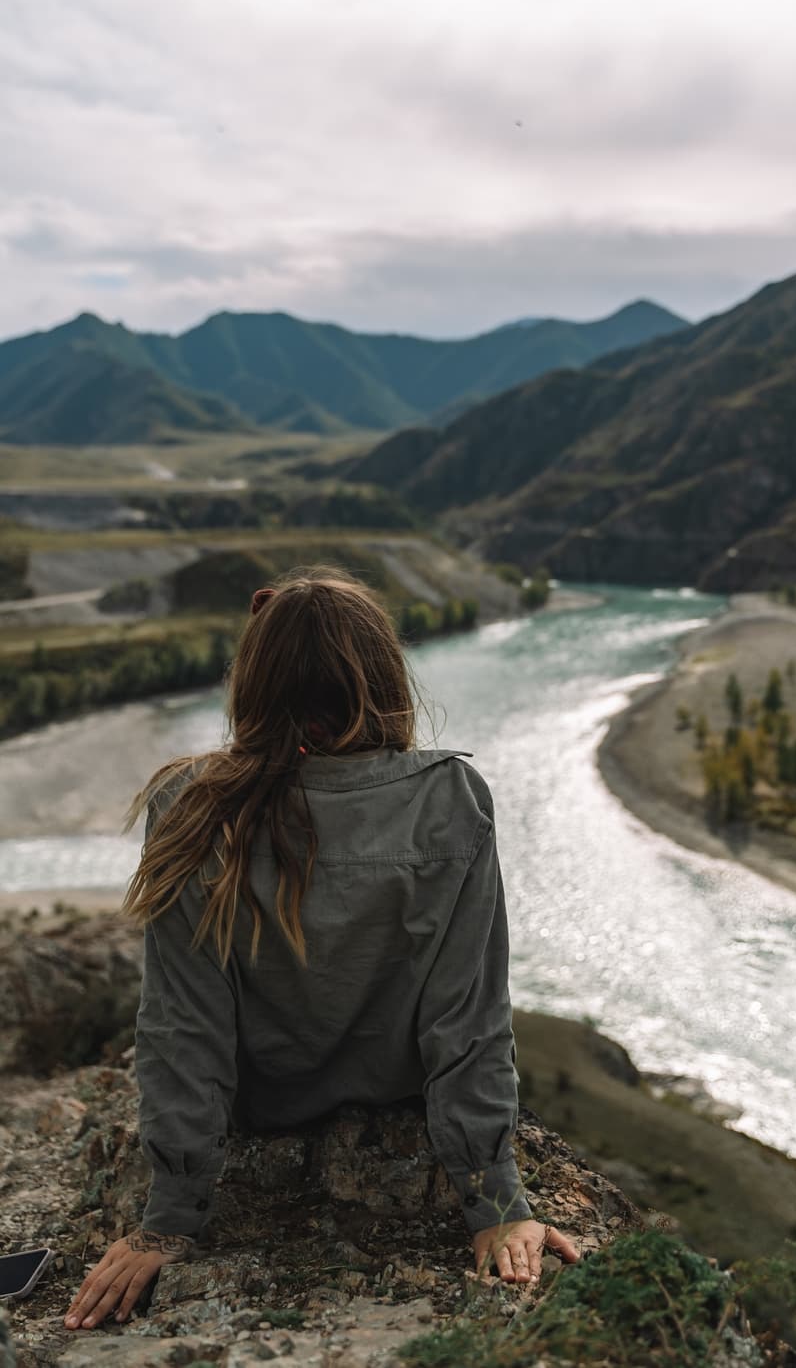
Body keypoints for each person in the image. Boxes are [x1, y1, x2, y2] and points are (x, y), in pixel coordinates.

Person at [65, 568, 578, 1332]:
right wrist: (496, 1203)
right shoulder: (451, 798)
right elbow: (466, 1018)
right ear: (384, 676)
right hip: (398, 1098)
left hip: (258, 1108)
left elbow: (184, 1025)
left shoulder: (190, 807)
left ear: (254, 684)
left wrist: (170, 1219)